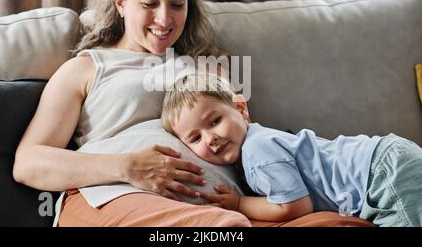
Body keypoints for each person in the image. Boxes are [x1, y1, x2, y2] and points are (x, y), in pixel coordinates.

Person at [12, 0, 251, 227]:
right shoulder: (86, 69)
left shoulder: (210, 69)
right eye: (150, 3)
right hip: (118, 199)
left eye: (177, 4)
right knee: (219, 229)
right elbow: (28, 163)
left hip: (229, 209)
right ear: (121, 3)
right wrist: (128, 167)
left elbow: (252, 146)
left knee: (323, 220)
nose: (165, 19)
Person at [161, 73, 422, 227]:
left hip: (383, 175)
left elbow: (295, 206)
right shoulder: (252, 148)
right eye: (195, 138)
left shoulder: (257, 150)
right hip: (384, 166)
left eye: (215, 121)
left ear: (241, 109)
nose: (211, 139)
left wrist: (240, 203)